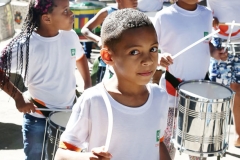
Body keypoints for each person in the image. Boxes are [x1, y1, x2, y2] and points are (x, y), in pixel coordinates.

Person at [55, 8, 171, 160]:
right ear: (107, 56)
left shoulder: (160, 97)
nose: (148, 60)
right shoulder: (94, 100)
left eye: (153, 49)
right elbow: (61, 155)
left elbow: (156, 142)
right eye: (134, 52)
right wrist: (88, 157)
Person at [0, 0, 91, 159]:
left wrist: (88, 86)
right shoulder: (25, 44)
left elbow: (80, 57)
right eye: (65, 11)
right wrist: (18, 97)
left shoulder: (70, 36)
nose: (72, 14)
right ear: (46, 18)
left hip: (69, 115)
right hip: (37, 117)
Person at [154, 0, 228, 159]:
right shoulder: (163, 16)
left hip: (201, 93)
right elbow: (149, 47)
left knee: (198, 147)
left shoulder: (207, 14)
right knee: (167, 144)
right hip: (172, 91)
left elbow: (205, 43)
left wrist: (215, 52)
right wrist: (159, 56)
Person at [207, 0, 240, 148]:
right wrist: (207, 17)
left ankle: (239, 135)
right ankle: (214, 136)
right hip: (218, 40)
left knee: (238, 89)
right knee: (218, 91)